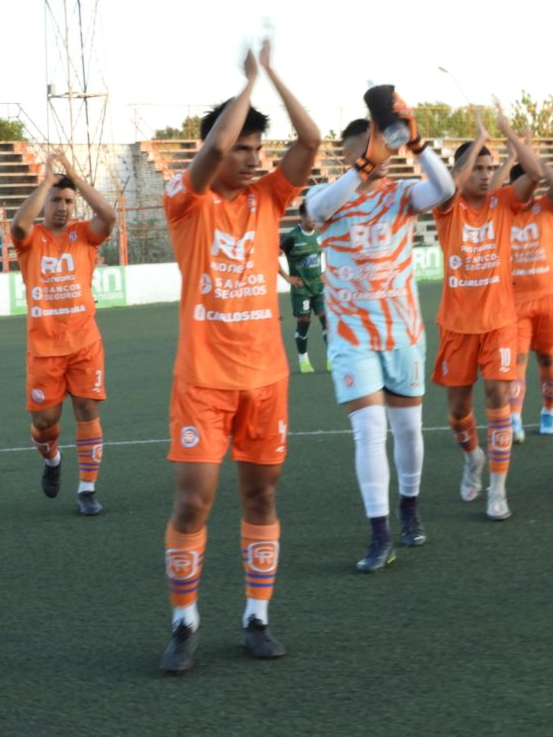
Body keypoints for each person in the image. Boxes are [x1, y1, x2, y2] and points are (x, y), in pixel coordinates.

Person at [159, 40, 320, 672]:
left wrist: (274, 74)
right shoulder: (187, 199)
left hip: (265, 379)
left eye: (259, 149)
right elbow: (217, 149)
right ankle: (183, 622)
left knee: (261, 500)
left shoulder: (269, 199)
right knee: (194, 501)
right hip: (202, 379)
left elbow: (308, 141)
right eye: (244, 148)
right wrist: (246, 86)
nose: (253, 160)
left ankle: (256, 617)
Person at [305, 102, 455, 573]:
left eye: (369, 152)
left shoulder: (402, 194)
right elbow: (316, 209)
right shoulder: (328, 195)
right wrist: (365, 162)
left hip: (402, 330)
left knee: (408, 429)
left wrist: (416, 144)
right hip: (351, 334)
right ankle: (380, 533)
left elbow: (446, 189)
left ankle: (409, 506)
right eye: (355, 154)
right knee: (369, 431)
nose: (363, 161)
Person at [432, 108, 544, 521]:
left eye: (488, 167)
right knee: (457, 412)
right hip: (456, 326)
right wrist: (478, 139)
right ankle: (473, 458)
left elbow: (536, 174)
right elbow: (449, 184)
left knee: (498, 396)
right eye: (476, 167)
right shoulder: (447, 208)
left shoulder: (503, 201)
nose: (483, 174)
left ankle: (498, 489)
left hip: (500, 321)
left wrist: (509, 137)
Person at [10, 149, 116, 516]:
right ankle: (52, 460)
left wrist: (74, 176)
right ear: (45, 202)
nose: (62, 206)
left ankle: (87, 488)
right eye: (56, 199)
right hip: (44, 349)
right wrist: (47, 182)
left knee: (87, 408)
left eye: (68, 201)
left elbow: (109, 216)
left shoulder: (83, 234)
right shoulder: (31, 239)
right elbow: (17, 226)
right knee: (45, 423)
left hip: (85, 344)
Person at [491, 117, 553, 443]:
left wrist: (532, 153)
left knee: (548, 357)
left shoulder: (548, 207)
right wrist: (512, 153)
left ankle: (548, 411)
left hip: (549, 296)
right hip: (515, 300)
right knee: (518, 360)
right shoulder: (503, 209)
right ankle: (515, 418)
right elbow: (494, 190)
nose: (529, 190)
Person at [278, 201, 327, 373]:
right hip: (301, 289)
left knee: (325, 318)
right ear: (302, 216)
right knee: (304, 322)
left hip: (319, 286)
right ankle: (303, 359)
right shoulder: (291, 237)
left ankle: (331, 359)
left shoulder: (320, 235)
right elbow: (270, 255)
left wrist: (327, 272)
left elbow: (334, 251)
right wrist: (287, 278)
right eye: (311, 215)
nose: (314, 219)